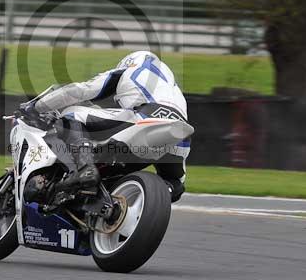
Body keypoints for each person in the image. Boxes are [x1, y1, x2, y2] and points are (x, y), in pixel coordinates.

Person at [21, 50, 190, 202]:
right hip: (181, 134)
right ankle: (149, 197)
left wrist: (37, 106)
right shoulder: (174, 89)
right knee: (175, 183)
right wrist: (157, 198)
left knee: (73, 113)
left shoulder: (131, 69)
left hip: (147, 117)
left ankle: (85, 167)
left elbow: (81, 90)